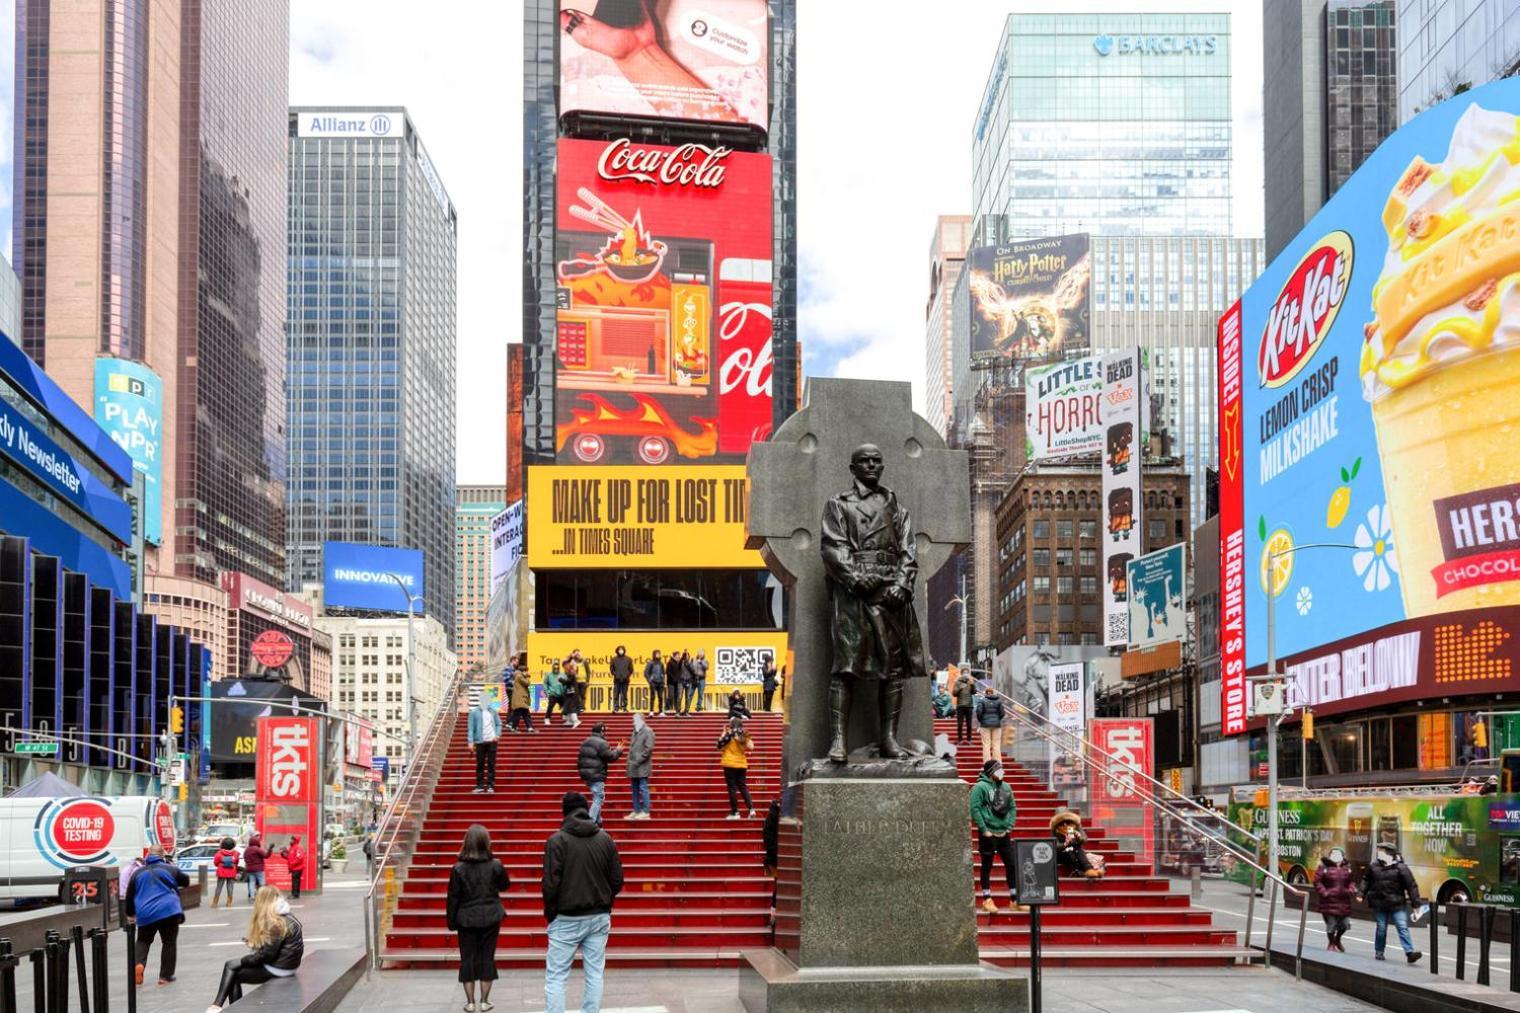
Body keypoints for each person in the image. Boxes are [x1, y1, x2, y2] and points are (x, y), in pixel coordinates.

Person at [543, 791, 625, 1013]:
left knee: (557, 976)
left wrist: (551, 913)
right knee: (594, 973)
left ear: (565, 812)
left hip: (566, 915)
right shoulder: (605, 839)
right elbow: (617, 879)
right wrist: (605, 901)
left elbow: (550, 883)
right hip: (598, 915)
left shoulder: (556, 841)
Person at [201, 886, 304, 1013]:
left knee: (232, 970)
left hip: (280, 968)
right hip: (287, 964)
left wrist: (245, 960)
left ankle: (216, 1006)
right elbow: (275, 947)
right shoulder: (286, 915)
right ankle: (217, 1006)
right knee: (232, 971)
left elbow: (266, 956)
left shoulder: (276, 922)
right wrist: (255, 946)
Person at [447, 824, 510, 1013]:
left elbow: (453, 898)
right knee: (487, 958)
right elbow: (505, 885)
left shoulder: (458, 868)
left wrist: (451, 922)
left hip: (466, 919)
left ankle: (470, 1002)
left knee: (467, 959)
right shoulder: (496, 865)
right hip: (491, 917)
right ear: (486, 842)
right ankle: (484, 1001)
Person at [125, 845, 189, 986]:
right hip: (169, 910)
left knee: (143, 941)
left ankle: (138, 965)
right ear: (163, 855)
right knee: (169, 942)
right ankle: (165, 976)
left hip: (145, 912)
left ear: (148, 855)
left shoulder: (137, 873)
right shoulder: (171, 869)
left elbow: (130, 894)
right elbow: (186, 881)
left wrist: (130, 913)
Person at [969, 759, 1019, 914]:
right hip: (988, 833)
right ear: (991, 772)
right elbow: (974, 808)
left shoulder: (1005, 786)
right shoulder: (980, 787)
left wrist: (1009, 826)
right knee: (987, 866)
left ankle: (1014, 899)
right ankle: (987, 899)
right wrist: (984, 829)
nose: (1002, 773)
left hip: (1004, 833)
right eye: (999, 770)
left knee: (1011, 865)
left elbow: (1012, 807)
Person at [1360, 841, 1423, 963]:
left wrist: (1416, 904)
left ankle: (1409, 952)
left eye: (1381, 851)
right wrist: (1361, 893)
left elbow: (1411, 886)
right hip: (1379, 902)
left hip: (1397, 903)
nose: (1378, 853)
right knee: (1381, 927)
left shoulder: (1401, 868)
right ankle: (1379, 951)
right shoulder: (1373, 866)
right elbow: (1365, 880)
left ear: (1389, 853)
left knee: (1402, 926)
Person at [577, 722, 625, 825]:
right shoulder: (602, 743)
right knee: (599, 796)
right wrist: (618, 751)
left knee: (596, 796)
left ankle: (598, 822)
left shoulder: (585, 741)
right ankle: (590, 822)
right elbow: (610, 757)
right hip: (596, 774)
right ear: (602, 731)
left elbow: (580, 759)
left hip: (587, 775)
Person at [1314, 848, 1355, 952]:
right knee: (1331, 924)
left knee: (1345, 924)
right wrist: (1325, 892)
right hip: (1329, 901)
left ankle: (1337, 940)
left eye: (1337, 853)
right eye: (1333, 853)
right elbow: (1317, 882)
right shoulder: (1323, 867)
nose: (1335, 855)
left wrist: (1351, 889)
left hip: (1344, 901)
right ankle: (1331, 943)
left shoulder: (1347, 868)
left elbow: (1351, 881)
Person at [717, 717, 755, 819]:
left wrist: (723, 732)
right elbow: (751, 746)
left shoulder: (728, 734)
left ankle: (735, 813)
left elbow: (720, 745)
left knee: (732, 789)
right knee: (743, 787)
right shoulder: (744, 733)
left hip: (729, 764)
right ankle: (751, 809)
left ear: (731, 724)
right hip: (741, 764)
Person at [1050, 811, 1103, 879]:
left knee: (1077, 847)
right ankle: (1085, 870)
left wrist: (1078, 838)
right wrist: (1065, 844)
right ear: (1057, 824)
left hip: (1076, 852)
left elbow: (1084, 839)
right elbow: (1054, 846)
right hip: (1061, 855)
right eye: (1061, 823)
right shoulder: (1055, 831)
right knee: (1070, 849)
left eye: (1068, 822)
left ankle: (1088, 870)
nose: (1065, 825)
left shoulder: (1076, 828)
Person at [624, 712, 655, 820]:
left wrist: (638, 760)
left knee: (643, 788)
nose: (633, 722)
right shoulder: (635, 732)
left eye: (635, 719)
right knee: (635, 789)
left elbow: (648, 749)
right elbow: (632, 749)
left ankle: (645, 812)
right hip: (633, 765)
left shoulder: (648, 731)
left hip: (642, 765)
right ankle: (636, 810)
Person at [468, 695, 501, 794]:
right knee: (480, 764)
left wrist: (497, 735)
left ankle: (491, 785)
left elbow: (498, 724)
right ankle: (480, 786)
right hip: (480, 741)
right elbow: (471, 728)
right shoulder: (474, 712)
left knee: (491, 764)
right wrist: (470, 742)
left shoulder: (493, 711)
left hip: (492, 741)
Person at [974, 685, 1005, 765]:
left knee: (986, 745)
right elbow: (1002, 713)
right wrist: (997, 719)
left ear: (986, 693)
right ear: (993, 693)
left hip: (985, 725)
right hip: (997, 725)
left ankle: (987, 763)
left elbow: (979, 712)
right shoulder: (998, 701)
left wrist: (982, 720)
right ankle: (998, 763)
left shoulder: (982, 701)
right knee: (996, 744)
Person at [212, 836, 240, 908]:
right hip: (232, 872)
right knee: (230, 886)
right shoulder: (236, 854)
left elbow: (215, 863)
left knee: (219, 887)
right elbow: (236, 863)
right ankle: (229, 902)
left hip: (221, 872)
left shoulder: (219, 853)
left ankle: (215, 902)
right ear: (233, 845)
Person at [952, 669, 977, 744]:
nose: (966, 674)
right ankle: (960, 739)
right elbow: (954, 693)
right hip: (960, 706)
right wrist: (960, 687)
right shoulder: (958, 682)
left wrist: (972, 684)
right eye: (964, 673)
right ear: (961, 674)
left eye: (967, 673)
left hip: (969, 706)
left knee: (969, 725)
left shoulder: (971, 682)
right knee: (960, 724)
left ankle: (969, 740)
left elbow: (974, 692)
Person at [609, 645, 634, 714]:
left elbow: (631, 670)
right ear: (617, 650)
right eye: (619, 649)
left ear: (624, 650)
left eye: (622, 649)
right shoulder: (614, 659)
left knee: (624, 695)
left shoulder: (628, 659)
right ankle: (616, 708)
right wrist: (615, 674)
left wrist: (626, 675)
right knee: (616, 694)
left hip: (625, 680)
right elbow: (611, 669)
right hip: (617, 680)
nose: (621, 651)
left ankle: (624, 708)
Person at [242, 834, 267, 899]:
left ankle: (252, 896)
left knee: (251, 883)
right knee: (262, 882)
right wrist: (270, 850)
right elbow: (266, 855)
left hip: (250, 869)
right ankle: (263, 895)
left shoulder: (247, 850)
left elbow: (244, 858)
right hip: (258, 869)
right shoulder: (257, 849)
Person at [561, 661, 584, 730]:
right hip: (570, 693)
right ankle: (569, 721)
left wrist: (561, 680)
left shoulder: (571, 672)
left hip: (573, 693)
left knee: (572, 707)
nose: (565, 667)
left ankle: (576, 721)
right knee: (567, 707)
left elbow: (568, 682)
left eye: (565, 665)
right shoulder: (569, 672)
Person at [643, 650, 666, 715]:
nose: (658, 655)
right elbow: (646, 673)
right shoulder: (650, 663)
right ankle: (651, 711)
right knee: (652, 697)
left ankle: (661, 711)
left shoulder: (661, 663)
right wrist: (650, 681)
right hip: (653, 682)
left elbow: (663, 673)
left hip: (660, 683)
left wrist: (663, 680)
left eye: (659, 654)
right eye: (657, 654)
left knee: (661, 697)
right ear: (654, 655)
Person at [668, 648, 690, 715]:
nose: (686, 657)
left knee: (688, 698)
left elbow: (693, 671)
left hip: (688, 682)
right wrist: (684, 654)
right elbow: (669, 671)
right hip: (679, 682)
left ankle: (686, 711)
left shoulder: (690, 663)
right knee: (679, 697)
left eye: (687, 656)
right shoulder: (680, 663)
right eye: (685, 656)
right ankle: (677, 711)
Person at [543, 659, 564, 725]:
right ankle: (547, 718)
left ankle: (566, 717)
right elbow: (545, 683)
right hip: (553, 694)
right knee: (550, 706)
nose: (556, 668)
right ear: (552, 667)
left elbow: (566, 683)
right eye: (554, 667)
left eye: (557, 667)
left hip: (561, 694)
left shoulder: (562, 674)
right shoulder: (549, 675)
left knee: (565, 706)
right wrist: (546, 692)